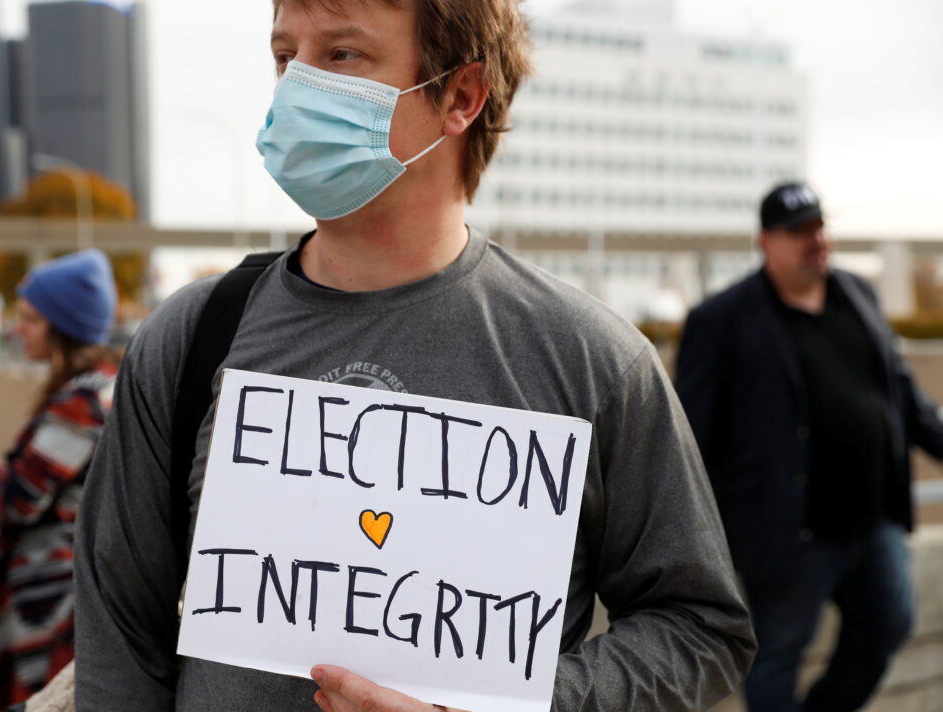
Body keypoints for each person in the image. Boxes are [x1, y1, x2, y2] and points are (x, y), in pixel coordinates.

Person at [73, 1, 756, 710]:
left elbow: (701, 631)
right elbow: (117, 636)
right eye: (285, 57)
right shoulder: (190, 338)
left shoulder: (593, 362)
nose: (297, 89)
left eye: (342, 56)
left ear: (460, 97)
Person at [675, 181, 943, 712]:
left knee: (889, 624)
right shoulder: (722, 320)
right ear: (766, 242)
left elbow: (900, 392)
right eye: (799, 231)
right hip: (786, 535)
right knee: (777, 657)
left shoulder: (857, 293)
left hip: (872, 522)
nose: (815, 239)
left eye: (819, 226)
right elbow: (689, 442)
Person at [0, 250, 119, 712]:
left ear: (64, 328)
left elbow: (20, 498)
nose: (17, 329)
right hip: (70, 597)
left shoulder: (80, 404)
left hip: (52, 606)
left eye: (31, 319)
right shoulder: (107, 386)